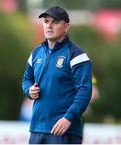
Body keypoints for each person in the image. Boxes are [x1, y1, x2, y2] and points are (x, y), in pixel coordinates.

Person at [22, 6, 92, 144]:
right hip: (37, 128)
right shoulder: (36, 53)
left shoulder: (77, 55)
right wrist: (29, 90)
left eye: (55, 22)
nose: (49, 25)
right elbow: (26, 79)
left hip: (64, 130)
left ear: (66, 26)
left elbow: (84, 91)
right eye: (46, 21)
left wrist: (68, 118)